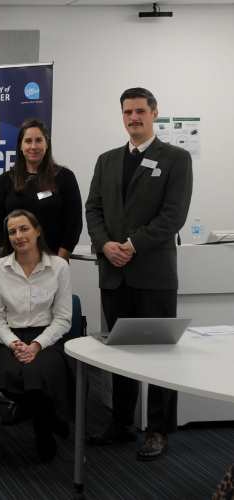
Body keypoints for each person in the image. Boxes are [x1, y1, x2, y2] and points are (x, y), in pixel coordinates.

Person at [85, 87, 193, 460]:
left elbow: (173, 216)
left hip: (153, 273)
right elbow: (93, 209)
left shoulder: (176, 159)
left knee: (161, 355)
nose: (133, 118)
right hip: (114, 275)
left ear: (154, 113)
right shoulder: (107, 160)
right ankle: (122, 422)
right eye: (127, 112)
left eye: (140, 111)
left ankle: (159, 429)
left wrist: (131, 245)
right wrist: (105, 245)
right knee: (122, 355)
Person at [0, 209, 72, 462]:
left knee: (39, 371)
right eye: (12, 231)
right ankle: (49, 419)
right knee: (9, 372)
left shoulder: (58, 266)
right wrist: (15, 344)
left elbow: (63, 318)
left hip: (47, 336)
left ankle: (42, 431)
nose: (18, 235)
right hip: (8, 338)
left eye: (24, 228)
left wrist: (36, 345)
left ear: (37, 231)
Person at [0, 119, 82, 260]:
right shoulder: (5, 180)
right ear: (20, 146)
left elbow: (73, 223)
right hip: (13, 263)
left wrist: (60, 261)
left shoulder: (65, 178)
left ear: (47, 144)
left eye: (39, 140)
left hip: (53, 261)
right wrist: (7, 259)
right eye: (28, 141)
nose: (33, 146)